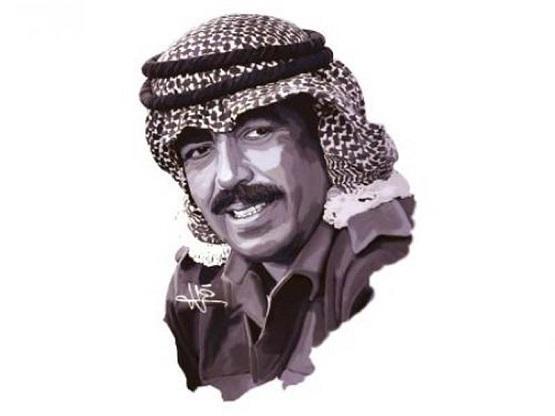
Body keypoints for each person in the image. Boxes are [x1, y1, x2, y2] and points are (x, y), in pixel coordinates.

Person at [139, 14, 416, 400]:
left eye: (257, 133)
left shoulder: (393, 264)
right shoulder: (195, 287)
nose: (228, 176)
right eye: (199, 150)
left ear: (323, 139)